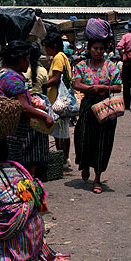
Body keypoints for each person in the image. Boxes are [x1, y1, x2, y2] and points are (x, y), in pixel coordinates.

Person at [0, 41, 54, 177]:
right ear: (19, 60)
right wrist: (45, 116)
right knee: (11, 168)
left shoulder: (3, 73)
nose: (28, 62)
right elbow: (23, 108)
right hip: (11, 133)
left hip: (4, 131)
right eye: (27, 59)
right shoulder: (12, 78)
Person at [73, 39, 122, 194]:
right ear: (89, 49)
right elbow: (76, 83)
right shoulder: (81, 65)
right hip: (88, 106)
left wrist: (103, 87)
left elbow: (118, 86)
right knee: (84, 137)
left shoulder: (111, 66)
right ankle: (85, 165)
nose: (98, 51)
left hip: (105, 107)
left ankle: (97, 179)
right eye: (95, 48)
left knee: (103, 142)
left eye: (101, 48)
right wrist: (89, 89)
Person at [43, 31, 73, 168]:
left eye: (46, 47)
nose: (45, 49)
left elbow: (55, 79)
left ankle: (63, 158)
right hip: (61, 99)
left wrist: (42, 86)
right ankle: (64, 157)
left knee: (60, 131)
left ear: (53, 46)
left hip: (58, 100)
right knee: (62, 131)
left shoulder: (58, 58)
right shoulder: (63, 57)